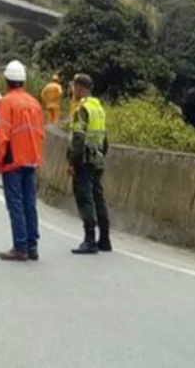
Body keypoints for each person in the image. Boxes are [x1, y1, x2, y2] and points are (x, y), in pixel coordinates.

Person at [0, 60, 45, 261]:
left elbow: (2, 135)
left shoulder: (7, 102)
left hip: (13, 161)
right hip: (31, 159)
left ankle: (20, 246)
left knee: (15, 203)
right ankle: (32, 246)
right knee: (30, 203)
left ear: (7, 81)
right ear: (23, 80)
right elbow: (41, 134)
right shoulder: (34, 103)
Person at [68, 73, 111, 254]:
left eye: (74, 87)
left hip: (84, 161)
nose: (73, 90)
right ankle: (105, 239)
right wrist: (101, 156)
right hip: (97, 160)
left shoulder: (82, 109)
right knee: (98, 198)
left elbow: (78, 137)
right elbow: (105, 139)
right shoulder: (99, 108)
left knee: (85, 198)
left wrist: (72, 162)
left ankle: (89, 240)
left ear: (79, 87)